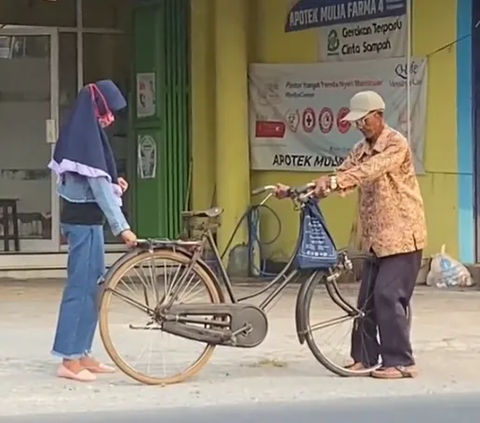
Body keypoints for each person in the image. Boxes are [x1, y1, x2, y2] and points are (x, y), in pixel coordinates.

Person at [276, 91, 427, 379]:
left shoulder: (396, 144)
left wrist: (333, 181)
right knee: (365, 302)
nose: (361, 126)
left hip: (402, 235)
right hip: (374, 239)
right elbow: (341, 173)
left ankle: (401, 361)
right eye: (357, 121)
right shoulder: (360, 148)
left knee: (387, 295)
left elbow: (368, 171)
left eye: (365, 120)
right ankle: (365, 357)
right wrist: (299, 190)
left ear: (379, 116)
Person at [48, 80, 137, 382]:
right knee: (80, 290)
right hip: (83, 225)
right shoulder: (85, 140)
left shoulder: (83, 136)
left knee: (92, 290)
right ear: (98, 107)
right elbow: (97, 188)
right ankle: (68, 359)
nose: (110, 118)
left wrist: (115, 187)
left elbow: (94, 184)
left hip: (89, 223)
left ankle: (82, 352)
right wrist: (123, 229)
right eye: (109, 111)